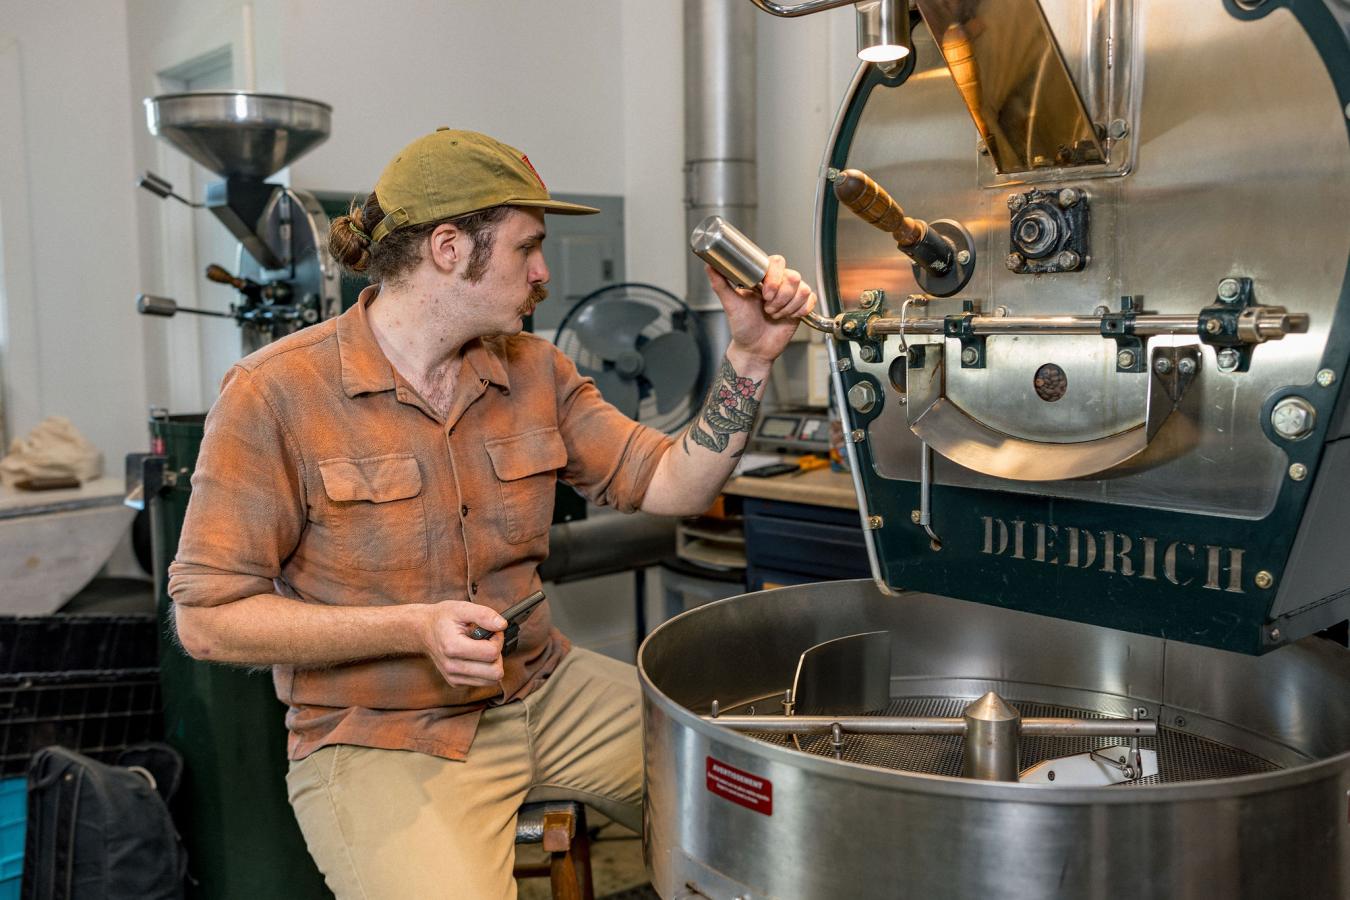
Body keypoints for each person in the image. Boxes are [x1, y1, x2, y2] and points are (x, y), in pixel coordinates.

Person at [167, 128, 816, 898]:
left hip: (546, 690)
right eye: (526, 248)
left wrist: (751, 358)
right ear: (448, 248)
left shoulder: (536, 370)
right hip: (383, 734)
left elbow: (675, 487)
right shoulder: (274, 393)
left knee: (771, 801)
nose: (543, 273)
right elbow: (206, 619)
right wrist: (410, 628)